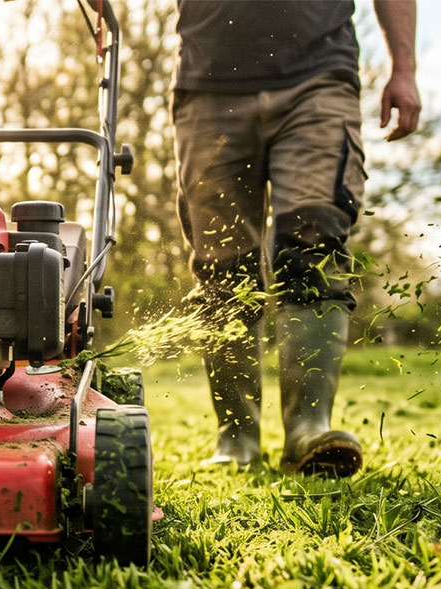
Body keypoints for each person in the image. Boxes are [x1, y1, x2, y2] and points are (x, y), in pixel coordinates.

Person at [173, 0, 420, 476]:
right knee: (224, 271)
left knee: (314, 249)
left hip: (318, 79)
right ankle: (236, 436)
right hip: (208, 86)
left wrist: (403, 68)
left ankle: (309, 427)